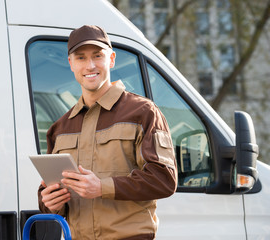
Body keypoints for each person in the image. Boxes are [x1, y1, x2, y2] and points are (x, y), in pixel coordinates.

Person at [38, 25, 177, 240]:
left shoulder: (143, 112)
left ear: (111, 59)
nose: (90, 65)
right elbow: (53, 196)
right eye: (81, 58)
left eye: (97, 56)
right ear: (71, 64)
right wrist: (49, 202)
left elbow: (164, 179)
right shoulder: (60, 127)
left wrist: (102, 187)